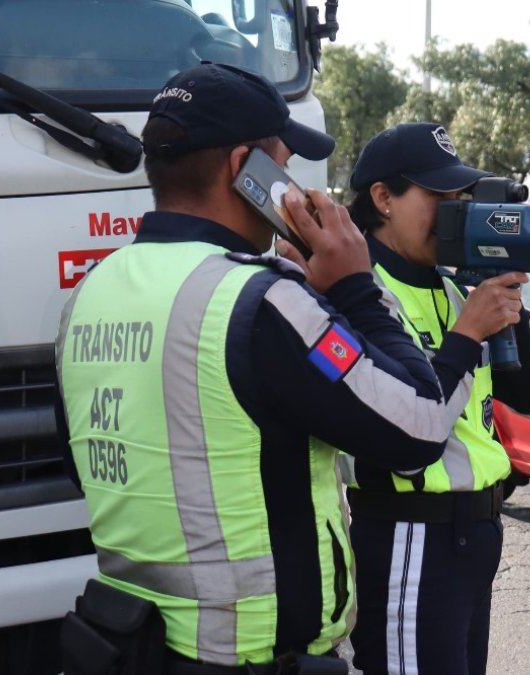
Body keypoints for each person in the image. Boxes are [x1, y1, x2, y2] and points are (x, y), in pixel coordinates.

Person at [53, 64, 454, 672]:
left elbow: (84, 464)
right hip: (251, 656)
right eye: (284, 166)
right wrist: (354, 288)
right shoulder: (260, 300)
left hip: (130, 644)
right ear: (245, 170)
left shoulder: (91, 293)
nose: (291, 184)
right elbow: (418, 429)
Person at [342, 122, 530, 675]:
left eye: (461, 197)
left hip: (476, 530)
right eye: (439, 197)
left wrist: (505, 292)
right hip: (410, 530)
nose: (455, 211)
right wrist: (466, 333)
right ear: (383, 198)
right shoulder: (360, 291)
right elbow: (405, 429)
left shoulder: (453, 286)